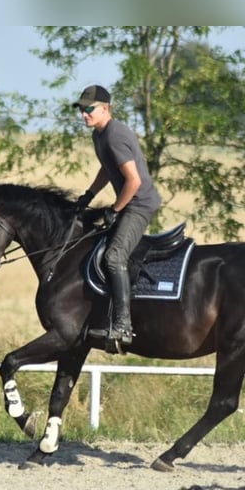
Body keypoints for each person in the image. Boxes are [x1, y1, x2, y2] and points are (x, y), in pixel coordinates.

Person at [73, 84, 162, 348]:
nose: (84, 114)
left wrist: (114, 210)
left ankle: (123, 325)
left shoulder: (114, 134)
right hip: (129, 202)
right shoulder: (99, 135)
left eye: (89, 109)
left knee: (113, 257)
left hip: (139, 204)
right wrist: (89, 195)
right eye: (81, 109)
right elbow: (107, 169)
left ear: (105, 108)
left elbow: (132, 181)